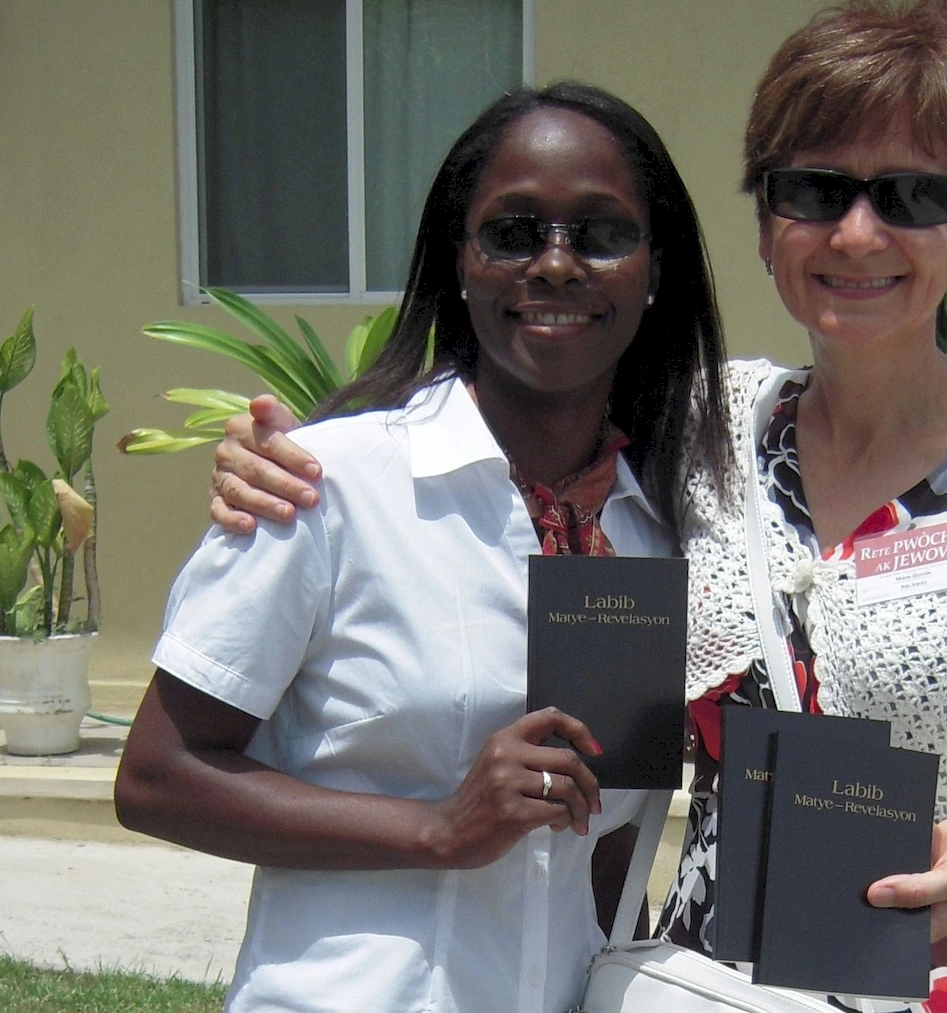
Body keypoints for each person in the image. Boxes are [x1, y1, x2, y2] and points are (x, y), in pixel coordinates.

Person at [206, 0, 947, 1011]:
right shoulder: (701, 428)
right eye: (815, 190)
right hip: (698, 984)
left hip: (942, 979)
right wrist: (281, 455)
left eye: (909, 196)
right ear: (766, 218)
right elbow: (510, 410)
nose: (856, 233)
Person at [114, 81, 730, 1013]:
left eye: (600, 233)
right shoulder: (330, 485)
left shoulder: (662, 531)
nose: (557, 264)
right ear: (460, 262)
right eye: (514, 232)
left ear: (653, 270)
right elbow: (157, 777)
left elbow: (606, 844)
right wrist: (437, 827)